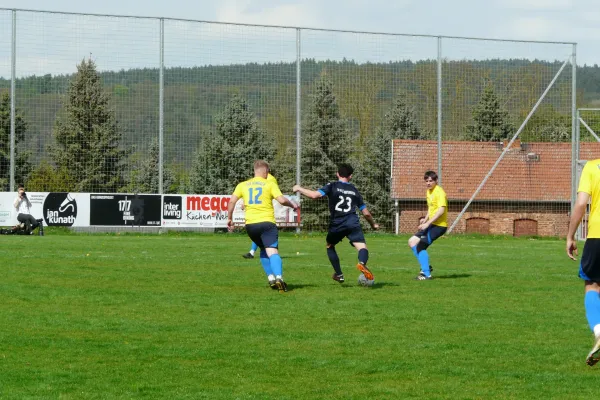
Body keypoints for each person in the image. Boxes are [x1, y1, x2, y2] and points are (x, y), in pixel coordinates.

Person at [293, 163, 379, 283]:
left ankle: (339, 274)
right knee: (362, 247)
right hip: (352, 222)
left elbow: (314, 195)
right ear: (350, 176)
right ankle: (362, 263)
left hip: (337, 223)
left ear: (337, 174)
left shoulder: (332, 186)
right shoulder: (354, 190)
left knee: (330, 245)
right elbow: (366, 213)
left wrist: (299, 188)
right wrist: (373, 224)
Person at [227, 160, 298, 292]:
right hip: (267, 223)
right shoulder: (269, 184)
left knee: (263, 250)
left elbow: (232, 201)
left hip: (250, 226)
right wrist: (293, 205)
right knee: (272, 251)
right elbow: (282, 200)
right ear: (265, 171)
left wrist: (229, 218)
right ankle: (279, 278)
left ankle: (271, 278)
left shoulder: (242, 185)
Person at [567, 158, 600, 366]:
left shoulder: (591, 167)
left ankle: (599, 330)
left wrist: (570, 235)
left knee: (592, 285)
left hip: (597, 235)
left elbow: (581, 204)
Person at [408, 171, 447, 280]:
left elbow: (441, 211)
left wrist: (428, 224)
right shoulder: (429, 192)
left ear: (436, 181)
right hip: (431, 224)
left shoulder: (440, 192)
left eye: (431, 181)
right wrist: (425, 220)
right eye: (427, 181)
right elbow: (431, 208)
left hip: (439, 226)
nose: (428, 183)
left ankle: (426, 274)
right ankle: (426, 267)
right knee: (412, 242)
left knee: (421, 246)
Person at [242, 172, 279, 259]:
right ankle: (253, 252)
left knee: (261, 232)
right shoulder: (263, 179)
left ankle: (254, 252)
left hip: (263, 210)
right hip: (257, 211)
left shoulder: (270, 179)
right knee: (260, 232)